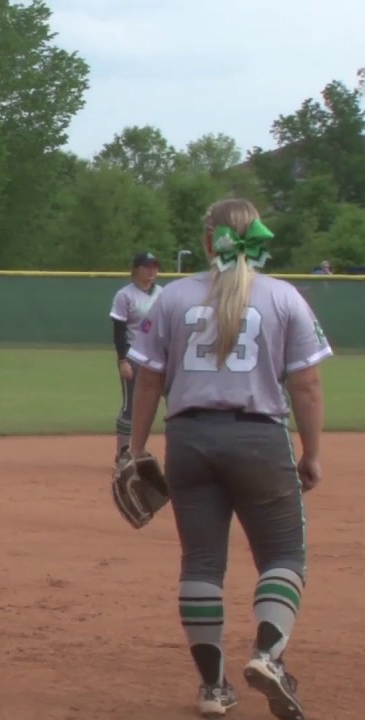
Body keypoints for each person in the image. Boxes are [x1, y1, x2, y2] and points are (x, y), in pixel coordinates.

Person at [125, 198, 330, 720]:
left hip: (189, 441)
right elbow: (305, 385)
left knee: (201, 563)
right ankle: (266, 655)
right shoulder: (284, 297)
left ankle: (213, 689)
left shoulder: (171, 297)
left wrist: (135, 447)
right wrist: (312, 453)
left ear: (209, 238)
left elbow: (148, 378)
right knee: (284, 555)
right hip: (258, 439)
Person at [109, 251, 163, 460]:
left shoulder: (163, 293)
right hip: (133, 354)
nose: (152, 270)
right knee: (131, 404)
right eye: (147, 266)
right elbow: (119, 330)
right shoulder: (125, 295)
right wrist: (122, 360)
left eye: (155, 266)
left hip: (158, 355)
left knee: (174, 401)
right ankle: (123, 453)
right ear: (136, 269)